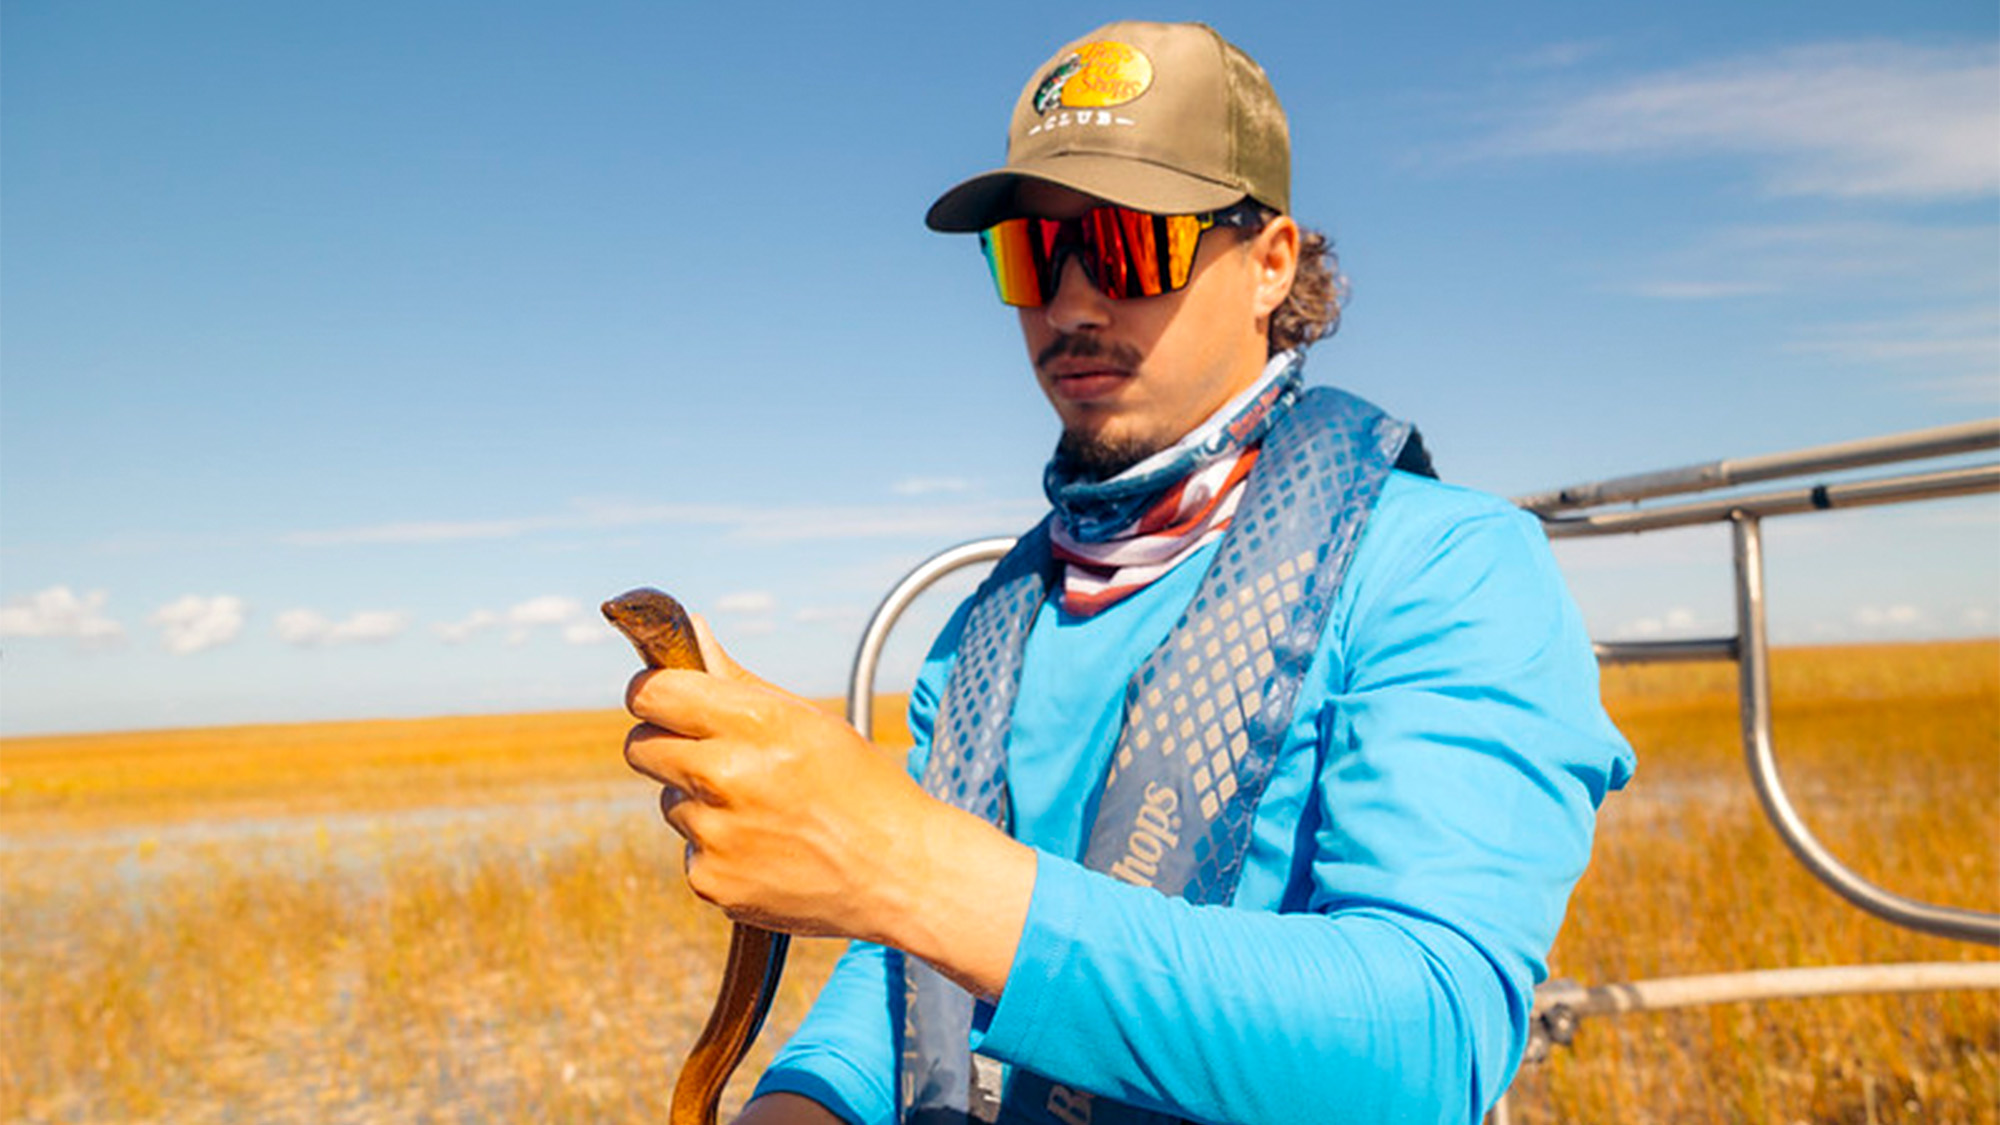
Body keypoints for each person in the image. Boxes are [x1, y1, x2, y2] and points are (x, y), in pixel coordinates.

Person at [622, 19, 1633, 1125]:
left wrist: (896, 861)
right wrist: (801, 1104)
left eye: (1128, 245)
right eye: (1028, 255)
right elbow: (910, 984)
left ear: (1272, 264)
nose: (1069, 304)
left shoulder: (1444, 567)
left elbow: (1426, 1045)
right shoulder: (986, 628)